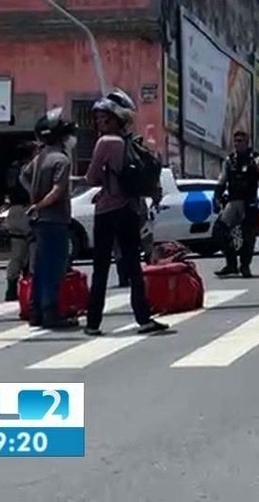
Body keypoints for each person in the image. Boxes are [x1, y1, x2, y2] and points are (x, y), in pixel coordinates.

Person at [83, 90, 168, 336]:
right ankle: (143, 318)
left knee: (100, 268)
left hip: (107, 212)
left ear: (117, 119)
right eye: (98, 119)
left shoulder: (105, 143)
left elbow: (91, 177)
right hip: (130, 210)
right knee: (133, 266)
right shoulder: (132, 143)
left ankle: (93, 323)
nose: (100, 123)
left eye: (104, 119)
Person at [20, 108, 80, 329]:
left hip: (39, 221)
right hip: (55, 220)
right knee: (54, 269)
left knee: (40, 269)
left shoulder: (39, 158)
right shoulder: (62, 159)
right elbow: (58, 189)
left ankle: (36, 312)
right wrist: (41, 202)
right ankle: (51, 314)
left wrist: (34, 197)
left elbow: (23, 177)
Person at [213, 130, 259, 279]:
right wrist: (217, 197)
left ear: (247, 143)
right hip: (233, 202)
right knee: (219, 231)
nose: (237, 144)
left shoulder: (256, 160)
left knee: (249, 236)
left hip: (250, 202)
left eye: (240, 141)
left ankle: (245, 265)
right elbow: (222, 181)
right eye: (235, 141)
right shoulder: (229, 160)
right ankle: (231, 264)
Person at [2, 141, 37, 301]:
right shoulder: (28, 169)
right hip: (26, 211)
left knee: (16, 254)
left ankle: (11, 289)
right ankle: (30, 289)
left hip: (14, 211)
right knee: (32, 250)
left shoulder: (12, 170)